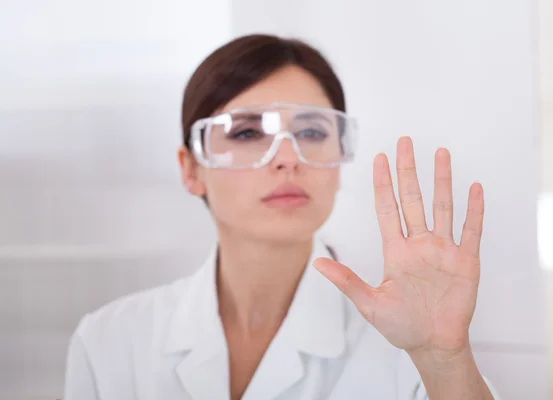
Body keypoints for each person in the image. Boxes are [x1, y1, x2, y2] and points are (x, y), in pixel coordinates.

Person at [64, 34, 501, 400]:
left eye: (311, 132)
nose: (288, 158)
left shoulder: (405, 344)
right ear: (191, 168)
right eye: (248, 132)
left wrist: (444, 361)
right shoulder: (110, 342)